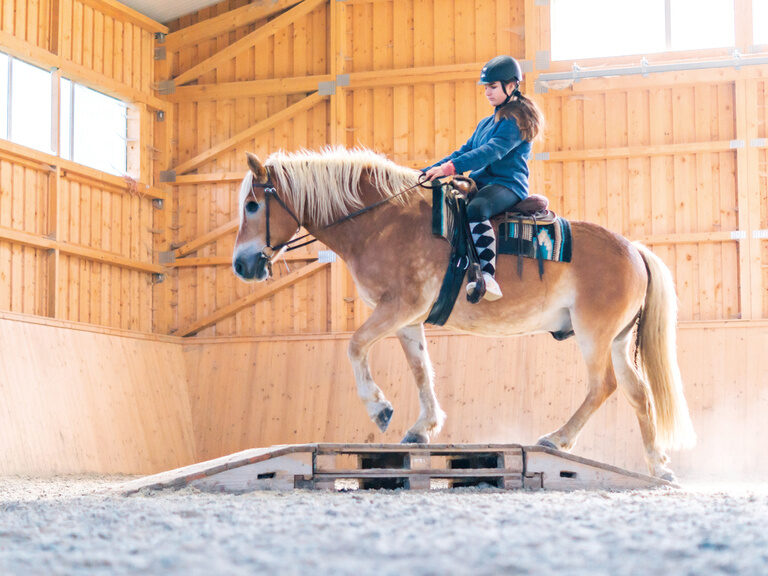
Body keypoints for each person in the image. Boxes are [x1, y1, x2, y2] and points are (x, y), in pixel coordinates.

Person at [424, 55, 544, 301]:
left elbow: (492, 151)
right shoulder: (486, 122)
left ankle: (487, 276)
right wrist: (429, 170)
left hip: (506, 185)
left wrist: (451, 168)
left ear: (511, 86)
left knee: (477, 209)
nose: (488, 92)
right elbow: (464, 151)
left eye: (493, 87)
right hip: (483, 183)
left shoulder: (516, 119)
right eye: (486, 87)